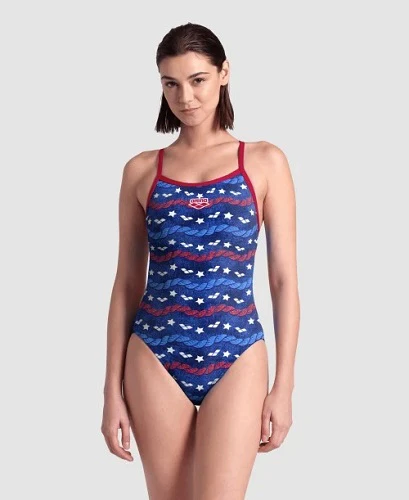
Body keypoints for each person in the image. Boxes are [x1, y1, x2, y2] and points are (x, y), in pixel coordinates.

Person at [101, 22, 300, 500]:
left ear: (224, 73)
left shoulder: (264, 161)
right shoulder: (142, 171)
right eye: (171, 83)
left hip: (238, 353)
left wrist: (284, 386)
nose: (185, 97)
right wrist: (110, 391)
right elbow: (126, 283)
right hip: (154, 354)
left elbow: (283, 280)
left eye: (197, 80)